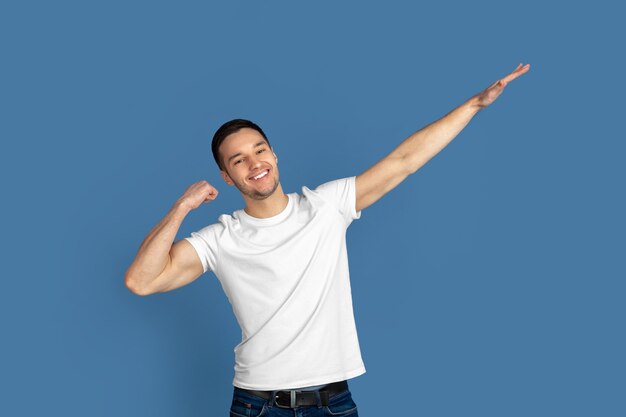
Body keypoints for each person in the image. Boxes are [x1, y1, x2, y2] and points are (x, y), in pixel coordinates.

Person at [124, 63, 530, 416]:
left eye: (259, 150)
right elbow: (141, 281)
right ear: (228, 178)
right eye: (238, 160)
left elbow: (404, 161)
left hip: (333, 402)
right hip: (256, 404)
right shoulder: (219, 238)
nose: (255, 163)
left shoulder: (326, 206)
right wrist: (181, 207)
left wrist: (474, 105)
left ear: (275, 155)